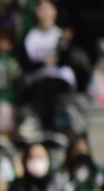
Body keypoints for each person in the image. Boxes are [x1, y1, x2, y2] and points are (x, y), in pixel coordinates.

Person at [23, 0, 76, 130]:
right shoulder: (31, 36)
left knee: (50, 85)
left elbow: (67, 61)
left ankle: (42, 120)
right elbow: (26, 64)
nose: (45, 13)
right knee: (44, 85)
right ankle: (45, 123)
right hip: (38, 78)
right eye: (42, 9)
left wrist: (65, 48)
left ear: (55, 12)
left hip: (59, 77)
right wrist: (44, 62)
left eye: (48, 9)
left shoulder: (60, 34)